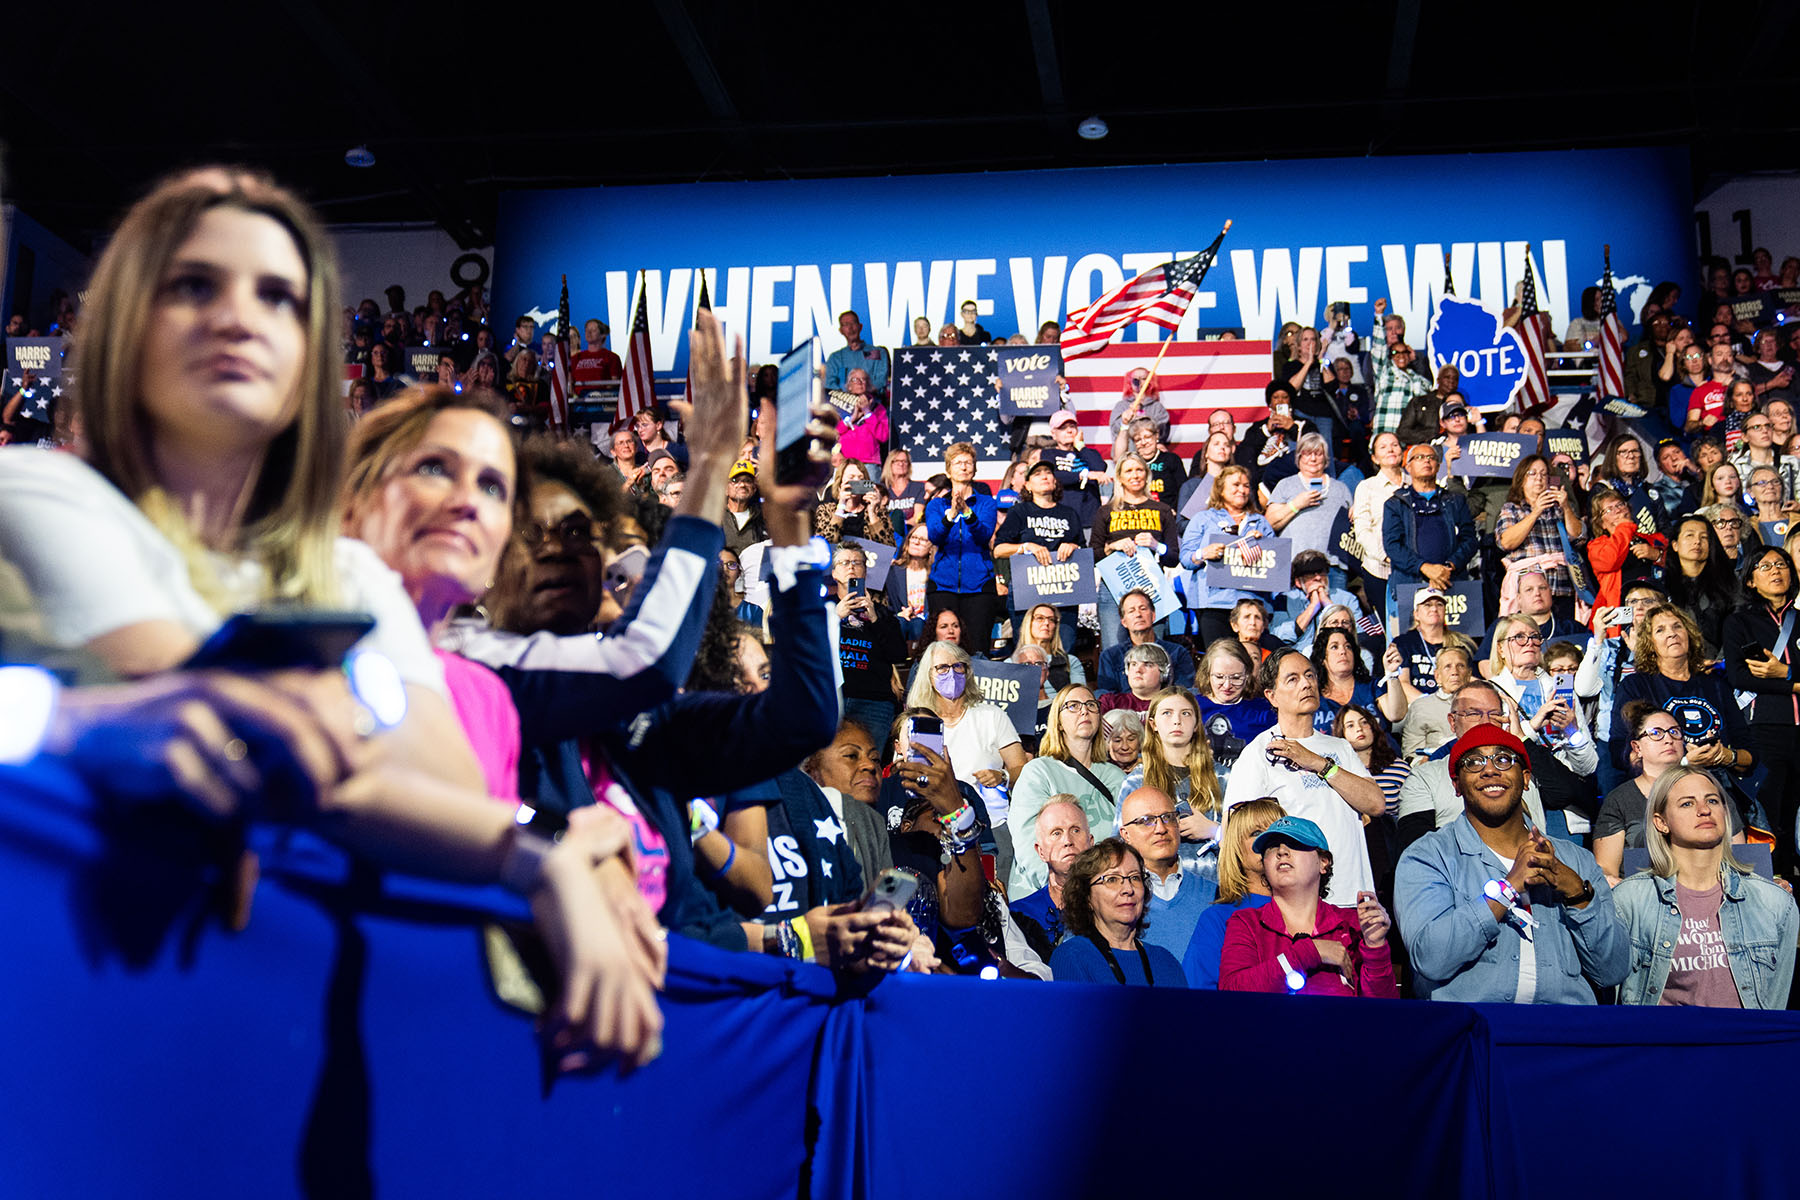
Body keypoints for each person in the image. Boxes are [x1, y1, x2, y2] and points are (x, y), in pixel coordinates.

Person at [0, 168, 673, 1067]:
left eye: (278, 297)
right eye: (195, 284)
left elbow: (443, 789)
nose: (239, 316)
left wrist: (540, 854)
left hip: (261, 1044)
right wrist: (533, 852)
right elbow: (251, 731)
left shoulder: (347, 572)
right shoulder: (38, 491)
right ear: (125, 322)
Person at [1395, 724, 1629, 1004]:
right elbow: (1430, 959)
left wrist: (1577, 894)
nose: (1490, 770)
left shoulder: (1576, 860)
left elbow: (1612, 971)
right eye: (1474, 762)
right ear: (1456, 785)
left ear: (1526, 778)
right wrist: (1506, 889)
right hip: (1474, 1031)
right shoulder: (1428, 856)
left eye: (1504, 759)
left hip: (1563, 1032)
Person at [1612, 768, 1799, 1008]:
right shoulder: (1629, 900)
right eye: (1687, 804)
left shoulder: (1775, 902)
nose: (1704, 810)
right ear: (1661, 822)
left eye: (1712, 800)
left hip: (1742, 1043)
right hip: (1663, 1042)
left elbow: (1775, 1003)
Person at [1221, 649, 1388, 904]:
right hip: (1297, 907)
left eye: (1309, 675)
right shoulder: (1257, 753)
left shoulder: (1339, 747)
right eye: (1293, 679)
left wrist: (1318, 763)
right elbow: (1236, 837)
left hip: (1355, 899)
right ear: (1272, 696)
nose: (1306, 683)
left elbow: (1376, 804)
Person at [1218, 813, 1397, 997]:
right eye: (1271, 848)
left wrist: (1376, 947)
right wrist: (1310, 952)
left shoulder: (1352, 924)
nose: (1281, 851)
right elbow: (1232, 993)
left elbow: (1384, 1012)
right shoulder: (1246, 923)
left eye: (1295, 843)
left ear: (1323, 862)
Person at [1395, 680, 1552, 847]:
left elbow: (1566, 792)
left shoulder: (1522, 764)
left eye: (1494, 714)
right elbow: (1416, 844)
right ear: (1453, 722)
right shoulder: (1425, 776)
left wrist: (1521, 739)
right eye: (1473, 714)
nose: (1485, 721)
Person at [1722, 544, 1800, 879]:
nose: (1775, 571)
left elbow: (1774, 675)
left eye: (1781, 564)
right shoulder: (1740, 622)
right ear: (1751, 580)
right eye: (1764, 566)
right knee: (1770, 819)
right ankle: (1773, 890)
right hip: (1766, 728)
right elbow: (1739, 676)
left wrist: (1787, 675)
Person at [907, 638, 1026, 851]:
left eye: (957, 666)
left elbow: (1021, 768)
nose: (951, 673)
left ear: (967, 671)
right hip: (937, 827)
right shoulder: (919, 724)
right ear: (928, 675)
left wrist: (1003, 776)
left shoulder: (991, 715)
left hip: (993, 825)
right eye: (942, 667)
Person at [1007, 684, 1124, 895]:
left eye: (1091, 704)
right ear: (1058, 721)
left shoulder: (1116, 777)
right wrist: (1063, 891)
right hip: (1048, 895)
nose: (1084, 710)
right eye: (1073, 706)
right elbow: (1027, 843)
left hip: (1107, 894)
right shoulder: (1039, 771)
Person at [1046, 839, 1186, 987]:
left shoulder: (1165, 961)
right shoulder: (1071, 957)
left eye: (1134, 878)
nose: (1128, 889)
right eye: (1112, 879)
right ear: (1086, 896)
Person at [1593, 703, 1704, 885]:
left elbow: (1739, 854)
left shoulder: (1708, 790)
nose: (1668, 739)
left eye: (1674, 732)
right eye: (1656, 733)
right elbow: (1606, 871)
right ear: (1637, 747)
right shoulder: (1620, 800)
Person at [1121, 687, 1226, 876]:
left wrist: (1213, 831)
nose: (1177, 720)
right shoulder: (1137, 781)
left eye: (1185, 713)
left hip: (1218, 889)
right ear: (1153, 724)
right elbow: (1121, 842)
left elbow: (1249, 841)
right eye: (1167, 713)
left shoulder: (1224, 777)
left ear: (1196, 725)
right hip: (1156, 892)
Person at [1182, 798, 1284, 988]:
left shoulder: (1312, 911)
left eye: (1278, 831)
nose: (1271, 840)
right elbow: (1198, 994)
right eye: (1257, 833)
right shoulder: (1218, 919)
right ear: (1236, 849)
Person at [1089, 454, 1180, 654]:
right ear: (1120, 477)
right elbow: (1093, 553)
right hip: (1113, 588)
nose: (1135, 475)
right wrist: (1112, 546)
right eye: (1129, 471)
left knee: (1152, 650)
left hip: (1151, 587)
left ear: (1147, 475)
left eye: (1139, 470)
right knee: (1113, 649)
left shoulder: (1162, 510)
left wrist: (1157, 545)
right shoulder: (1106, 511)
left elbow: (1173, 557)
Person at [1382, 443, 1478, 632]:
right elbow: (1392, 546)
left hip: (1452, 584)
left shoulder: (1455, 500)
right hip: (1409, 586)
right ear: (1407, 466)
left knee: (1457, 648)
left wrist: (1448, 567)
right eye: (1419, 457)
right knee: (1407, 650)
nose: (1426, 460)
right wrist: (1425, 568)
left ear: (1438, 465)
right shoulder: (1395, 504)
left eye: (1431, 457)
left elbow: (1470, 539)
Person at [1180, 464, 1279, 646]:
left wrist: (1264, 543)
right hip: (1214, 604)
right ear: (1221, 489)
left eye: (1246, 485)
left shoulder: (1260, 522)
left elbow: (1275, 564)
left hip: (1252, 605)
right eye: (1235, 485)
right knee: (1220, 658)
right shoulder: (1203, 519)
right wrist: (1204, 553)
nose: (1242, 490)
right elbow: (1186, 558)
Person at [993, 461, 1084, 654]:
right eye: (1037, 474)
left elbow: (1084, 551)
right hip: (1027, 588)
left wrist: (1073, 546)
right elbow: (999, 550)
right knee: (1027, 651)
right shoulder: (1020, 512)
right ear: (1027, 485)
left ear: (1055, 481)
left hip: (1064, 590)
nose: (1044, 476)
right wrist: (1026, 547)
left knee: (1063, 651)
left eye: (1048, 472)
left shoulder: (1070, 514)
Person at [1117, 786, 1218, 957]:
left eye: (1168, 817)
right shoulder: (1115, 899)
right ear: (1125, 835)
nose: (1160, 829)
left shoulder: (1215, 895)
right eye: (1146, 820)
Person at [830, 545, 908, 757]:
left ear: (865, 571)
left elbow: (898, 654)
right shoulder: (823, 609)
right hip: (832, 697)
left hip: (874, 701)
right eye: (844, 563)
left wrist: (875, 619)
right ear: (834, 573)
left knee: (868, 764)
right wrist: (834, 617)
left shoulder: (882, 613)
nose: (851, 568)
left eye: (857, 563)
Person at [923, 442, 999, 654]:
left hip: (979, 586)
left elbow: (984, 535)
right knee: (943, 649)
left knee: (977, 648)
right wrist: (951, 515)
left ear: (974, 469)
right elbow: (935, 536)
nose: (964, 467)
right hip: (943, 586)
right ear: (948, 470)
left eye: (968, 463)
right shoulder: (937, 505)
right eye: (958, 463)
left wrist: (967, 513)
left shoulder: (986, 503)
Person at [1495, 457, 1584, 619]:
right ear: (1521, 480)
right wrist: (1536, 511)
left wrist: (1566, 507)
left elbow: (1579, 537)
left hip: (1563, 589)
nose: (1539, 478)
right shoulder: (1512, 509)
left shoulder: (1558, 509)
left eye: (1544, 474)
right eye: (1533, 473)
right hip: (1530, 595)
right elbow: (1506, 542)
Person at [1009, 799, 1094, 961]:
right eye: (1056, 833)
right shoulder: (1018, 916)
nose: (1067, 841)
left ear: (1091, 842)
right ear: (1041, 852)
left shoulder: (1114, 909)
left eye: (1075, 830)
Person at [1265, 433, 1354, 582]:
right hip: (1295, 565)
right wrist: (1296, 505)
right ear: (1299, 457)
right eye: (1307, 454)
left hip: (1333, 567)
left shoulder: (1341, 488)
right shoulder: (1285, 485)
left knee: (1336, 606)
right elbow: (1269, 523)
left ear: (1325, 458)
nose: (1313, 459)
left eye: (1318, 454)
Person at [1585, 488, 1666, 624]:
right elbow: (1610, 560)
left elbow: (1676, 564)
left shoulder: (1652, 539)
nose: (1617, 510)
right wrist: (1624, 527)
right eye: (1609, 509)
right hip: (1620, 614)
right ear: (1601, 523)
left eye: (1620, 504)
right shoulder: (1597, 546)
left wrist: (1658, 556)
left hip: (1655, 606)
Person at [1095, 587, 1195, 694]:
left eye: (1143, 609)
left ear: (1153, 616)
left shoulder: (1177, 652)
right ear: (1124, 622)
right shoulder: (1110, 656)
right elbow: (1107, 697)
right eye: (1131, 611)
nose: (1138, 615)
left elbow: (1184, 692)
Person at [1351, 431, 1407, 620]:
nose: (1390, 449)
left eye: (1394, 444)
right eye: (1383, 447)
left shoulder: (1415, 483)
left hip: (1414, 569)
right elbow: (1362, 530)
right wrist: (1387, 555)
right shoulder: (1366, 487)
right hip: (1380, 570)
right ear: (1375, 458)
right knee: (1392, 629)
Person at [1270, 549, 1365, 652]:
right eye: (1311, 574)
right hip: (1299, 657)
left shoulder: (1348, 599)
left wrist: (1327, 604)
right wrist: (1313, 607)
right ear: (1298, 582)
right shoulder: (1285, 599)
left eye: (1321, 572)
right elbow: (1279, 636)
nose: (1318, 578)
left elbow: (1358, 634)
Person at [1397, 640, 1476, 758]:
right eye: (1447, 667)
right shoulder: (1421, 707)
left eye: (1460, 666)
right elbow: (1411, 753)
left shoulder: (1482, 704)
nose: (1454, 672)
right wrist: (1421, 762)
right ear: (1437, 676)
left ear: (1469, 674)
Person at [1369, 297, 1432, 437]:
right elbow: (1378, 349)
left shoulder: (1417, 376)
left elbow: (1430, 389)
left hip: (1410, 432)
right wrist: (1378, 315)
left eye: (1397, 328)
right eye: (1396, 353)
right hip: (1387, 426)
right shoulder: (1385, 370)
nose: (1393, 332)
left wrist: (1415, 361)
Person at [1043, 408, 1107, 530]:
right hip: (1061, 519)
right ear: (1053, 434)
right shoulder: (1048, 454)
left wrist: (1081, 446)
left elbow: (1100, 468)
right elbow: (1054, 476)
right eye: (1063, 428)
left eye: (1072, 426)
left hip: (1089, 518)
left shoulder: (1089, 453)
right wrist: (1084, 475)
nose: (1069, 431)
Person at [1012, 601, 1086, 691]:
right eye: (1040, 618)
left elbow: (1081, 695)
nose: (1046, 623)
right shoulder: (1011, 663)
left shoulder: (1070, 661)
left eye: (1051, 619)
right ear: (1029, 623)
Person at [886, 524, 935, 641]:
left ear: (931, 548)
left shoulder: (935, 574)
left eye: (923, 540)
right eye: (913, 537)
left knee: (918, 625)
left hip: (925, 626)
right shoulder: (893, 571)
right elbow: (887, 606)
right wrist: (900, 614)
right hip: (900, 621)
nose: (916, 542)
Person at [824, 310, 890, 397]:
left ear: (860, 326)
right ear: (841, 330)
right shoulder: (835, 358)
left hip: (873, 404)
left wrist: (863, 392)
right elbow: (829, 384)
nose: (850, 328)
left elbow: (881, 381)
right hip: (842, 405)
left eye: (853, 323)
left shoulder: (876, 352)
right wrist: (848, 399)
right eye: (846, 324)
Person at [1100, 641, 1170, 716]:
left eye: (1148, 665)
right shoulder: (1109, 702)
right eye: (1134, 664)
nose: (1138, 670)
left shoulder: (1173, 705)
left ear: (1163, 672)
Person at [1109, 367, 1171, 444]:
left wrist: (1143, 419)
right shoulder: (1121, 406)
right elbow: (1115, 430)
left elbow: (1163, 431)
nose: (1138, 381)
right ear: (1130, 382)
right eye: (1135, 379)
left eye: (1143, 378)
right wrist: (1125, 420)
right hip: (1127, 450)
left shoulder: (1157, 407)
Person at [879, 448, 926, 535]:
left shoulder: (919, 488)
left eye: (904, 461)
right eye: (896, 461)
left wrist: (900, 526)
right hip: (886, 534)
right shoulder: (881, 489)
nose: (901, 464)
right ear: (890, 464)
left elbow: (917, 518)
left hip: (910, 532)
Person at [1101, 708, 1143, 773]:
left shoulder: (1151, 766)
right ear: (1106, 743)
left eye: (1131, 739)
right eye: (1117, 740)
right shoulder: (1098, 770)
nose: (1125, 747)